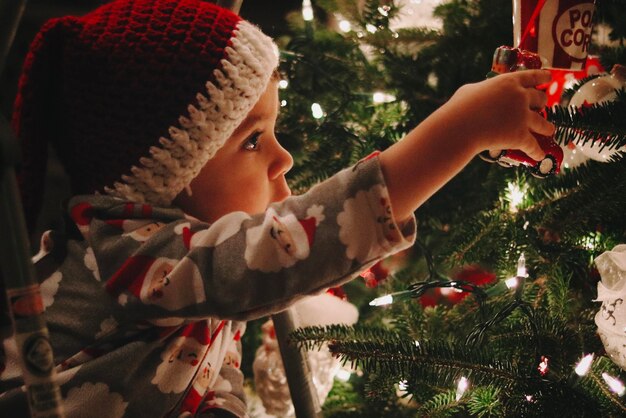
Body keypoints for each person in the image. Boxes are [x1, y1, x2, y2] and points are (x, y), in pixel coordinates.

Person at [0, 0, 554, 417]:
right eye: (252, 140)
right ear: (174, 174)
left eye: (274, 130)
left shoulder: (188, 272)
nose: (282, 156)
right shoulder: (132, 254)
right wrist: (459, 131)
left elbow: (206, 387)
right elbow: (276, 254)